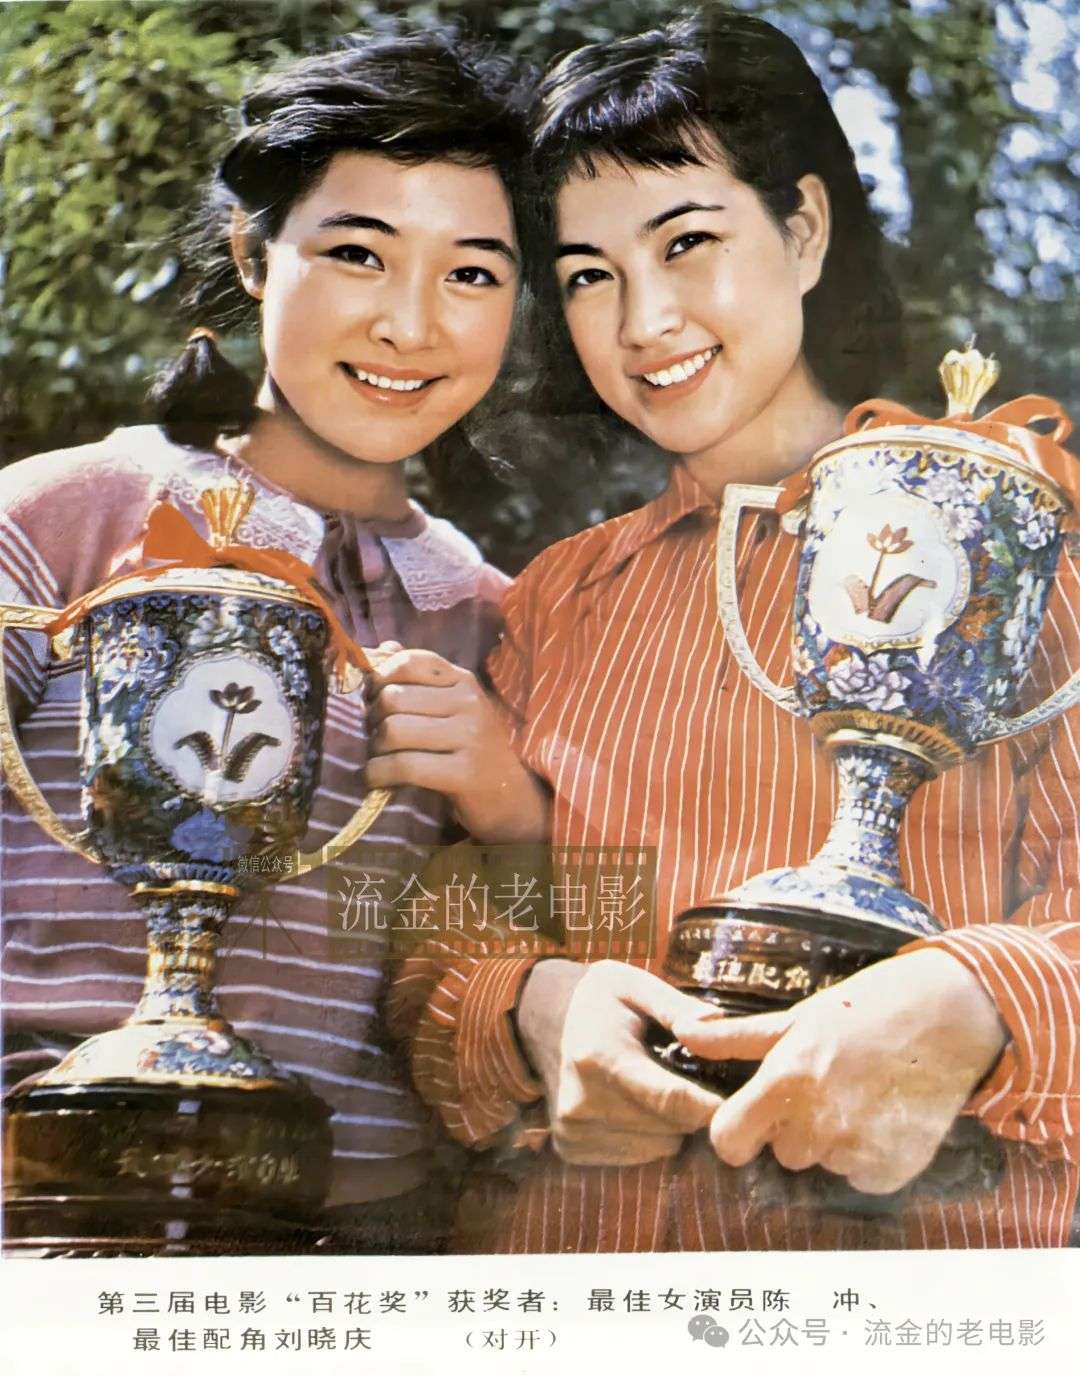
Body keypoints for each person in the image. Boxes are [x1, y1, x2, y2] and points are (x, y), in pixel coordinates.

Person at [377, 10, 1080, 1250]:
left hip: (909, 1298)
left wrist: (977, 998)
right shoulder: (554, 601)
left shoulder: (1026, 550)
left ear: (803, 229)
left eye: (687, 241)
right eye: (589, 274)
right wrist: (534, 1006)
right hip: (571, 1284)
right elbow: (442, 930)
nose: (643, 319)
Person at [0, 27, 535, 1249]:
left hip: (358, 1242)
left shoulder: (497, 618)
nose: (410, 325)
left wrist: (513, 804)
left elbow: (564, 950)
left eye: (472, 273)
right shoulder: (59, 517)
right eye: (357, 253)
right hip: (43, 1206)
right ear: (252, 252)